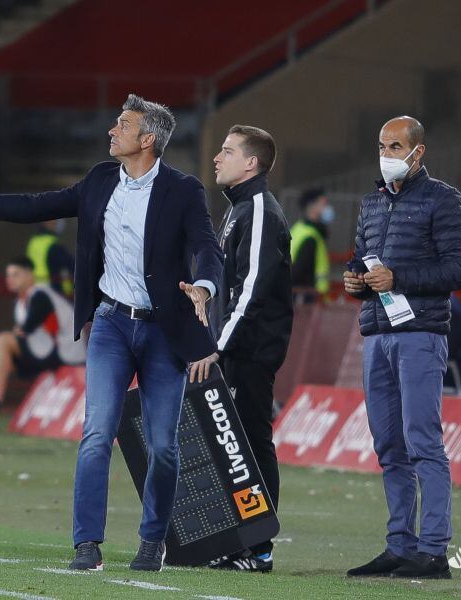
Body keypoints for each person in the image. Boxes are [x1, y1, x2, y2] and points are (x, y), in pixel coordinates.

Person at [0, 94, 222, 572]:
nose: (113, 130)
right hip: (111, 325)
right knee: (96, 434)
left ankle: (152, 541)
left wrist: (203, 286)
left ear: (148, 139)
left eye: (123, 124)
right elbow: (35, 205)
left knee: (163, 446)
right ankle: (87, 545)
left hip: (164, 332)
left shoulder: (184, 190)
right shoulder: (98, 180)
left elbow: (205, 245)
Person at [344, 117, 461, 580]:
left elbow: (460, 269)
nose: (387, 153)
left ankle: (434, 549)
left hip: (420, 334)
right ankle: (400, 545)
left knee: (423, 442)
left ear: (418, 152)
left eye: (395, 145)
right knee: (389, 446)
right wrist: (355, 281)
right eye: (381, 145)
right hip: (376, 334)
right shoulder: (371, 203)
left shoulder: (443, 199)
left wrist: (398, 279)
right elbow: (361, 257)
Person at [190, 125, 293, 572]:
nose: (217, 157)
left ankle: (259, 546)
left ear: (251, 163)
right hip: (236, 345)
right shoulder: (238, 209)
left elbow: (252, 289)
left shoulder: (259, 209)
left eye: (228, 151)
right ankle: (241, 539)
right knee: (236, 443)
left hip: (250, 349)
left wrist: (218, 346)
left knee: (250, 441)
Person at [0, 256, 85, 415]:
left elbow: (30, 325)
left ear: (29, 274)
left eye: (16, 274)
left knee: (3, 340)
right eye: (8, 275)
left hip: (67, 353)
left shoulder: (40, 294)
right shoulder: (20, 302)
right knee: (4, 359)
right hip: (47, 351)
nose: (10, 279)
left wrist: (21, 330)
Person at [289, 187, 332, 303]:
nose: (327, 208)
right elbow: (299, 273)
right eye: (323, 204)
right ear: (312, 206)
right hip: (306, 301)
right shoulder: (310, 236)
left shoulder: (298, 229)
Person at [26, 220, 75, 298]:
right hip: (54, 293)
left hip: (34, 291)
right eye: (55, 220)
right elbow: (73, 267)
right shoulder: (53, 245)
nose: (58, 223)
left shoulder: (33, 242)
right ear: (47, 223)